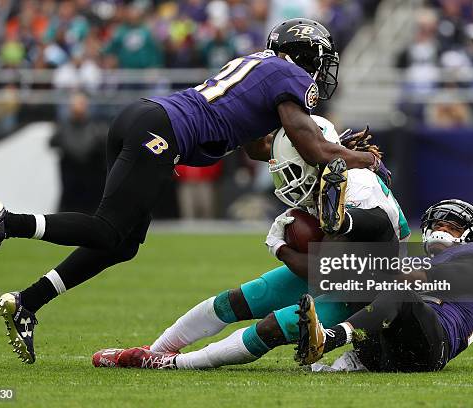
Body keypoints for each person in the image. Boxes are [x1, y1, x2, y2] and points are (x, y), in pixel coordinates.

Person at [0, 18, 380, 364]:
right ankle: (7, 221)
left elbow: (259, 146)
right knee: (108, 229)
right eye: (320, 62)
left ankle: (28, 302)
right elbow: (308, 144)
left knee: (122, 244)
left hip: (147, 121)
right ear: (304, 56)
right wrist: (359, 157)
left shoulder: (261, 67)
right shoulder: (288, 74)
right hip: (159, 132)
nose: (321, 73)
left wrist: (334, 148)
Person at [90, 116, 410, 369]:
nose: (285, 176)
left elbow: (324, 270)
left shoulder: (357, 189)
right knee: (239, 299)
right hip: (339, 267)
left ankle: (173, 364)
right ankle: (153, 351)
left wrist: (281, 248)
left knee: (273, 326)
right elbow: (257, 146)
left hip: (367, 291)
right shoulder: (331, 173)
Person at [296, 199, 473, 372]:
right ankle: (341, 221)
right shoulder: (413, 264)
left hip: (430, 349)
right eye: (438, 226)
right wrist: (280, 248)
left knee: (400, 294)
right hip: (378, 354)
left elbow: (465, 274)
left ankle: (328, 339)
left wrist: (422, 274)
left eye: (452, 229)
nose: (441, 231)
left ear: (472, 236)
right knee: (366, 263)